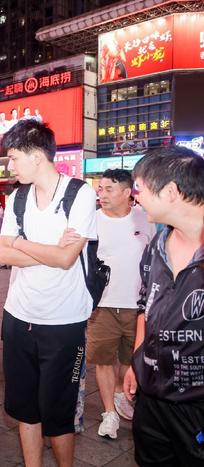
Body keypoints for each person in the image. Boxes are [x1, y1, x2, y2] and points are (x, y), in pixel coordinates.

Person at [0, 120, 96, 467]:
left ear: (36, 155)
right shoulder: (16, 198)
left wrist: (21, 243)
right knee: (25, 407)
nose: (9, 166)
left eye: (13, 158)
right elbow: (2, 254)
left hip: (64, 323)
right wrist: (45, 250)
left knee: (59, 412)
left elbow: (67, 258)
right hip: (18, 318)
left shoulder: (80, 193)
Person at [121, 147, 204, 466]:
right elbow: (146, 306)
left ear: (170, 192)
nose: (136, 198)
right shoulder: (156, 245)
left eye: (140, 189)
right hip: (151, 401)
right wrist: (137, 361)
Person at [79, 169, 156, 440]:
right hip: (103, 305)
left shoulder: (145, 218)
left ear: (127, 192)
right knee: (102, 360)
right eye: (100, 189)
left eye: (109, 189)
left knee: (129, 360)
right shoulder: (91, 221)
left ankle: (121, 393)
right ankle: (109, 413)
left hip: (138, 308)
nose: (102, 194)